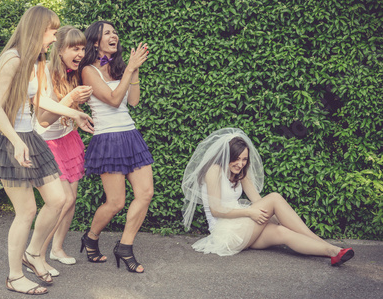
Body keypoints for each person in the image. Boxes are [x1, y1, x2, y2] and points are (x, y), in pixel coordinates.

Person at [0, 6, 93, 295]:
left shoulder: (35, 61)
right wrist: (16, 142)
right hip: (6, 139)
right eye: (52, 32)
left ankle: (33, 253)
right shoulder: (11, 59)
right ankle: (15, 276)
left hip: (28, 135)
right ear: (38, 30)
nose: (54, 39)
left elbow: (40, 99)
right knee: (26, 210)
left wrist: (74, 113)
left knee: (59, 198)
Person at [182, 128, 354, 266]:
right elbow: (216, 210)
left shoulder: (241, 172)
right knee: (275, 197)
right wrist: (250, 213)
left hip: (242, 229)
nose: (240, 164)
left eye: (244, 159)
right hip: (225, 233)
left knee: (282, 232)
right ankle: (322, 241)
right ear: (227, 155)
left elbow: (257, 201)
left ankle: (333, 252)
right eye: (236, 159)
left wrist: (274, 217)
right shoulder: (214, 171)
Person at [78, 20, 154, 273]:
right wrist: (130, 68)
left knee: (145, 193)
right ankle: (90, 237)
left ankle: (125, 246)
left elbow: (132, 101)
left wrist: (133, 71)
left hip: (130, 135)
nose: (114, 35)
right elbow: (112, 100)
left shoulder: (120, 67)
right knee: (116, 203)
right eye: (107, 33)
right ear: (95, 41)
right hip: (107, 139)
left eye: (114, 32)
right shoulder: (89, 69)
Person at [31, 25, 93, 276]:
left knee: (71, 200)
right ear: (59, 51)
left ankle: (57, 248)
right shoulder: (43, 72)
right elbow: (43, 120)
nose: (80, 53)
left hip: (69, 140)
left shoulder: (73, 73)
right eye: (74, 48)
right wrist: (71, 100)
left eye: (82, 48)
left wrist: (80, 98)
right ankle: (38, 255)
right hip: (47, 142)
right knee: (60, 200)